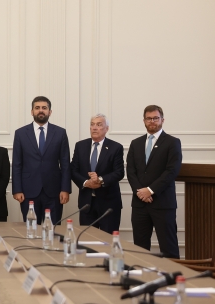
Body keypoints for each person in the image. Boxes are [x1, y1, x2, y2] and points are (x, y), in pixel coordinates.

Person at [126, 105, 182, 258]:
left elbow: (172, 171)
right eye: (149, 118)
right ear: (144, 121)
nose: (152, 121)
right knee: (140, 248)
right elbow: (130, 171)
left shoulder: (172, 142)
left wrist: (150, 190)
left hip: (162, 203)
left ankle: (173, 280)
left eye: (155, 118)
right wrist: (140, 192)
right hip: (140, 204)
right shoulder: (135, 143)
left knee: (168, 247)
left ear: (162, 120)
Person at [11, 96, 71, 224]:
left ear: (50, 111)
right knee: (31, 230)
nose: (41, 111)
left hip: (54, 191)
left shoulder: (60, 133)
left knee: (53, 230)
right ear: (32, 111)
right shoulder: (21, 133)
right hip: (28, 191)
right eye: (37, 108)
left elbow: (65, 164)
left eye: (44, 108)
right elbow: (17, 164)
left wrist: (65, 189)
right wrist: (17, 189)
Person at [70, 114, 124, 233]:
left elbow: (119, 172)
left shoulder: (116, 147)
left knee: (108, 242)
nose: (94, 128)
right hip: (86, 203)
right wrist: (86, 183)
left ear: (107, 128)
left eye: (99, 125)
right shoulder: (80, 146)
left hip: (108, 204)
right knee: (87, 240)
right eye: (92, 124)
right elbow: (73, 170)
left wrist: (100, 180)